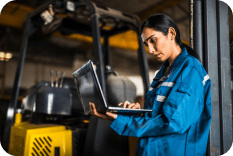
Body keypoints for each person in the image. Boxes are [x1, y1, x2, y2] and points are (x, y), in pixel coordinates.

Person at [89, 14, 212, 156]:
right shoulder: (163, 73)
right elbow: (158, 113)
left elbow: (172, 122)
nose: (151, 50)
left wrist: (123, 120)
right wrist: (135, 112)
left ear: (171, 33)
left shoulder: (190, 70)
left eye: (153, 41)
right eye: (147, 44)